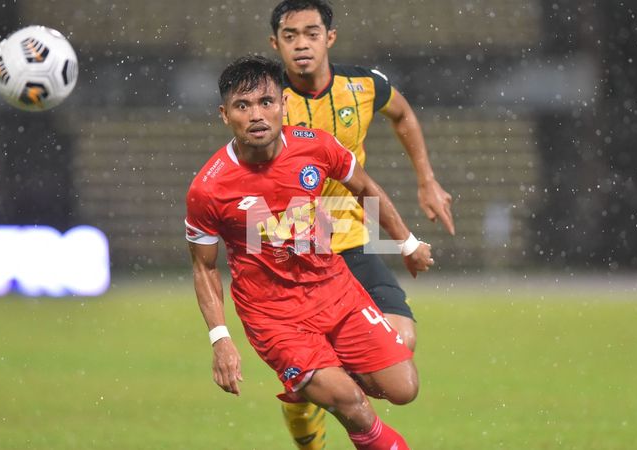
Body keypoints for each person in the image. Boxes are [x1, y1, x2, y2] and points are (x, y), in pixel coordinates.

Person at [186, 55, 433, 449]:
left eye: (266, 102)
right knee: (355, 406)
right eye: (242, 106)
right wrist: (221, 339)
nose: (256, 115)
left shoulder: (315, 146)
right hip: (274, 315)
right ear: (224, 114)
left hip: (335, 289)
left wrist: (406, 242)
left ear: (283, 103)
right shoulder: (209, 189)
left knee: (404, 388)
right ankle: (321, 382)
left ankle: (313, 382)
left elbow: (366, 189)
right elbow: (204, 268)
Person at [268, 1, 455, 447]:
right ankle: (313, 399)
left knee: (401, 340)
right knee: (320, 364)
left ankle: (310, 390)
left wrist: (426, 181)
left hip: (351, 237)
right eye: (289, 36)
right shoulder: (266, 98)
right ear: (275, 44)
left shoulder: (364, 85)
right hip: (294, 250)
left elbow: (404, 114)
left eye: (310, 33)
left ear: (329, 38)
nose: (300, 44)